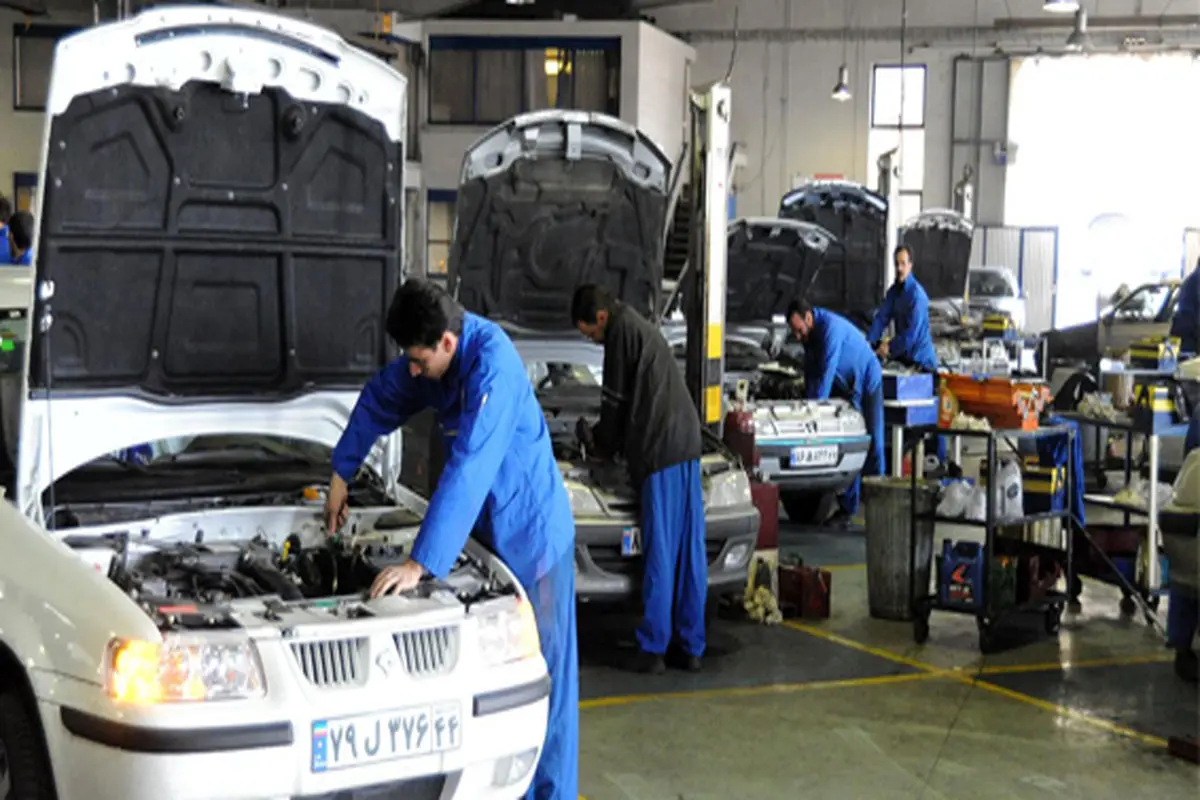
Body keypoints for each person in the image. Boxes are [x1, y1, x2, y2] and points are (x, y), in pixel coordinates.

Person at [324, 279, 578, 799]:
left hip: (533, 541)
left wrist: (420, 563)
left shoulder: (494, 367)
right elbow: (381, 396)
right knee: (497, 685)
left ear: (447, 342)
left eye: (420, 361)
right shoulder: (434, 360)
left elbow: (470, 466)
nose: (414, 371)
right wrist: (340, 472)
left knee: (545, 684)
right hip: (483, 537)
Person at [571, 284, 706, 675]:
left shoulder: (619, 334)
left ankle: (653, 648)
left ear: (601, 318)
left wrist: (599, 443)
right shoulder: (638, 326)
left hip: (660, 447)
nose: (593, 342)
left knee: (661, 547)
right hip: (688, 441)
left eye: (590, 335)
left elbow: (613, 404)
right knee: (688, 549)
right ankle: (691, 645)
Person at [786, 298, 884, 522]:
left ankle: (879, 505)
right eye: (794, 332)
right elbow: (811, 372)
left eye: (799, 330)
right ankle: (848, 508)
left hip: (867, 380)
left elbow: (826, 372)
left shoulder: (830, 329)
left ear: (808, 318)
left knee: (873, 443)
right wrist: (805, 404)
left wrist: (816, 409)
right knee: (847, 445)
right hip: (845, 386)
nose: (798, 336)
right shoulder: (809, 336)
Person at [867, 244, 946, 464]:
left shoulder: (917, 296)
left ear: (910, 265)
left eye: (903, 263)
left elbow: (911, 336)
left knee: (931, 419)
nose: (900, 268)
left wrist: (889, 348)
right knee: (900, 421)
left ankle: (940, 463)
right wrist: (868, 344)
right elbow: (881, 318)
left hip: (923, 365)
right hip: (904, 362)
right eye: (897, 264)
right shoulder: (894, 293)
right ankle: (900, 461)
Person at [1170, 262, 1200, 356]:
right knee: (1190, 359)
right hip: (1190, 328)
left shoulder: (1193, 278)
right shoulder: (1197, 278)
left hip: (1186, 326)